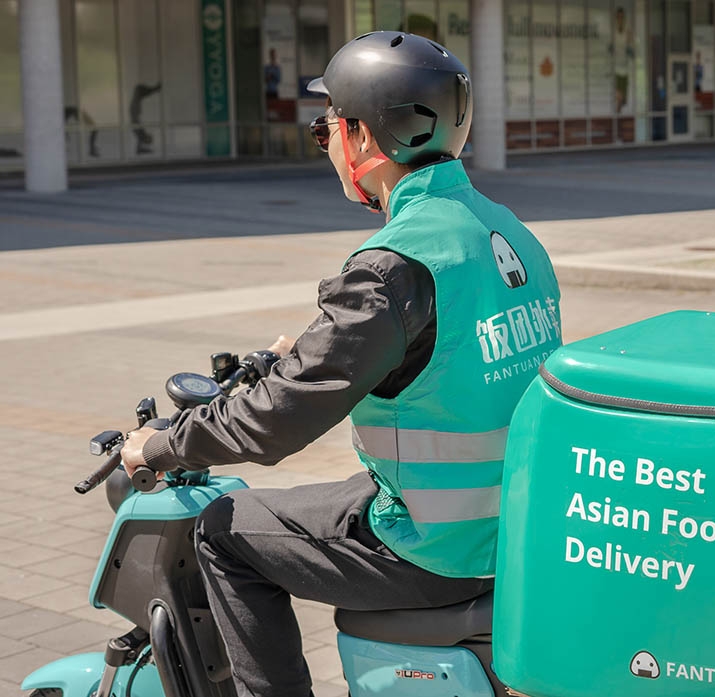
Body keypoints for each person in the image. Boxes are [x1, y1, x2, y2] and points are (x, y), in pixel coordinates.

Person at [119, 31, 562, 697]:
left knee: (223, 531)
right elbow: (441, 348)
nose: (324, 142)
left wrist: (159, 443)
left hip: (436, 545)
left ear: (363, 137)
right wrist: (307, 349)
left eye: (324, 127)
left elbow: (277, 420)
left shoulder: (392, 266)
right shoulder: (506, 230)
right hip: (506, 522)